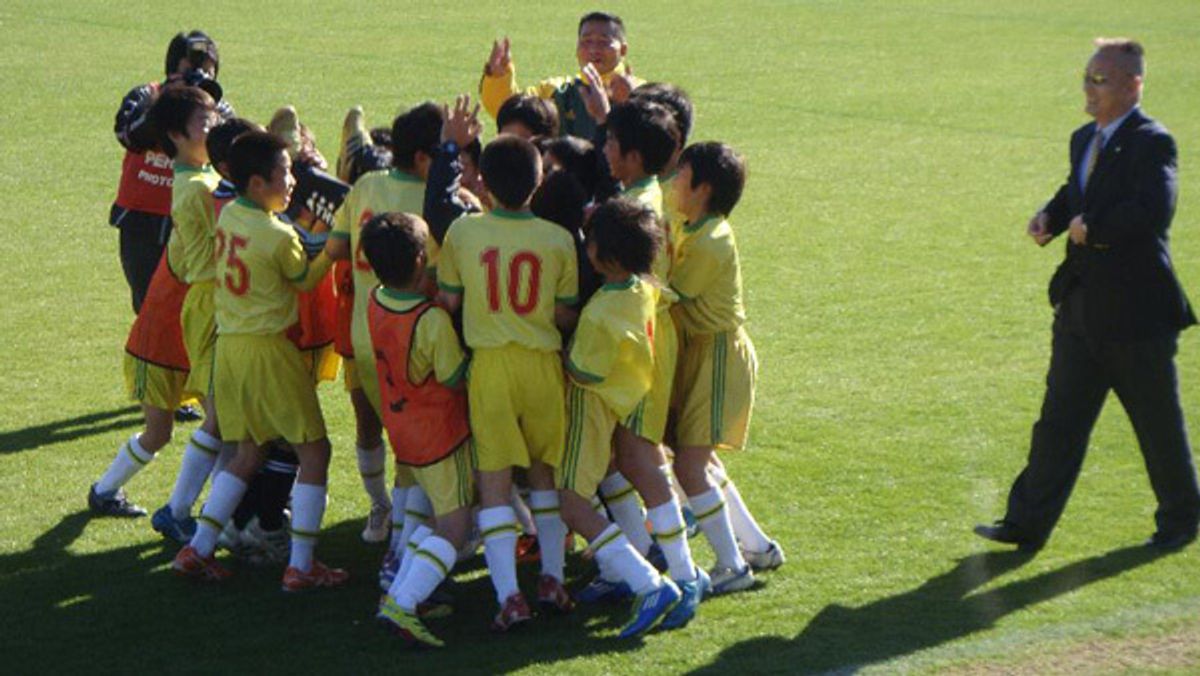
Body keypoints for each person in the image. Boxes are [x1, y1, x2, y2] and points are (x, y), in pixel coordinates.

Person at [975, 38, 1200, 552]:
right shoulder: (1085, 138)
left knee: (1158, 428)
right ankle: (1026, 523)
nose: (1089, 88)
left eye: (1101, 80)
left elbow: (1152, 211)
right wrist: (1051, 219)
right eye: (1086, 77)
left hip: (1136, 318)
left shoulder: (1153, 142)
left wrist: (1090, 227)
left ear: (1133, 85)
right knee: (1058, 423)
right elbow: (1077, 192)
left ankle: (1181, 522)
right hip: (1080, 311)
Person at [172, 131, 343, 591]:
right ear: (254, 182)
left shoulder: (232, 216)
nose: (292, 182)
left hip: (230, 349)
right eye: (284, 174)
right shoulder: (276, 235)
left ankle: (198, 548)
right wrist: (331, 251)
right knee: (315, 450)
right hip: (269, 351)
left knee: (249, 451)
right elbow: (305, 281)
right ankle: (302, 565)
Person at [436, 134, 578, 631]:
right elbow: (563, 313)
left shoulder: (462, 233)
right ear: (539, 182)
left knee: (493, 482)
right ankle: (553, 578)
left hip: (490, 366)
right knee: (544, 474)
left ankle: (509, 596)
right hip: (543, 365)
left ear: (486, 185)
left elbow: (449, 301)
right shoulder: (559, 239)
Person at [87, 84, 221, 523]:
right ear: (177, 136)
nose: (215, 125)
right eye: (205, 121)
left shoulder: (203, 178)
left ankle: (206, 510)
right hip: (169, 326)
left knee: (217, 421)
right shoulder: (196, 188)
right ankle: (170, 509)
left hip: (184, 320)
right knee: (165, 431)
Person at [361, 212, 475, 648]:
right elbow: (453, 378)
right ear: (422, 259)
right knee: (454, 526)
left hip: (403, 429)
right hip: (441, 435)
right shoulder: (431, 320)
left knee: (429, 517)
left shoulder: (375, 299)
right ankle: (402, 603)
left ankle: (402, 591)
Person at [669, 141, 764, 593]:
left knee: (689, 466)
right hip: (706, 353)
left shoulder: (709, 241)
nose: (673, 183)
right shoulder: (697, 227)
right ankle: (757, 546)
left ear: (702, 188)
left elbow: (671, 294)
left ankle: (733, 566)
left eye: (681, 175)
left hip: (718, 355)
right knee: (697, 461)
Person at [111, 30, 230, 314]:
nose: (200, 78)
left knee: (191, 305)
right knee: (149, 307)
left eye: (208, 72)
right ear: (171, 69)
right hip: (143, 220)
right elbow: (127, 134)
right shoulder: (147, 95)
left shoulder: (216, 109)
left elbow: (229, 152)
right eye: (191, 70)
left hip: (192, 221)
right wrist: (168, 105)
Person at [480, 12, 641, 139]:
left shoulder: (640, 91)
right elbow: (510, 113)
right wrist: (498, 78)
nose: (593, 49)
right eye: (586, 41)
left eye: (603, 42)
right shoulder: (556, 91)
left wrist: (633, 103)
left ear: (623, 50)